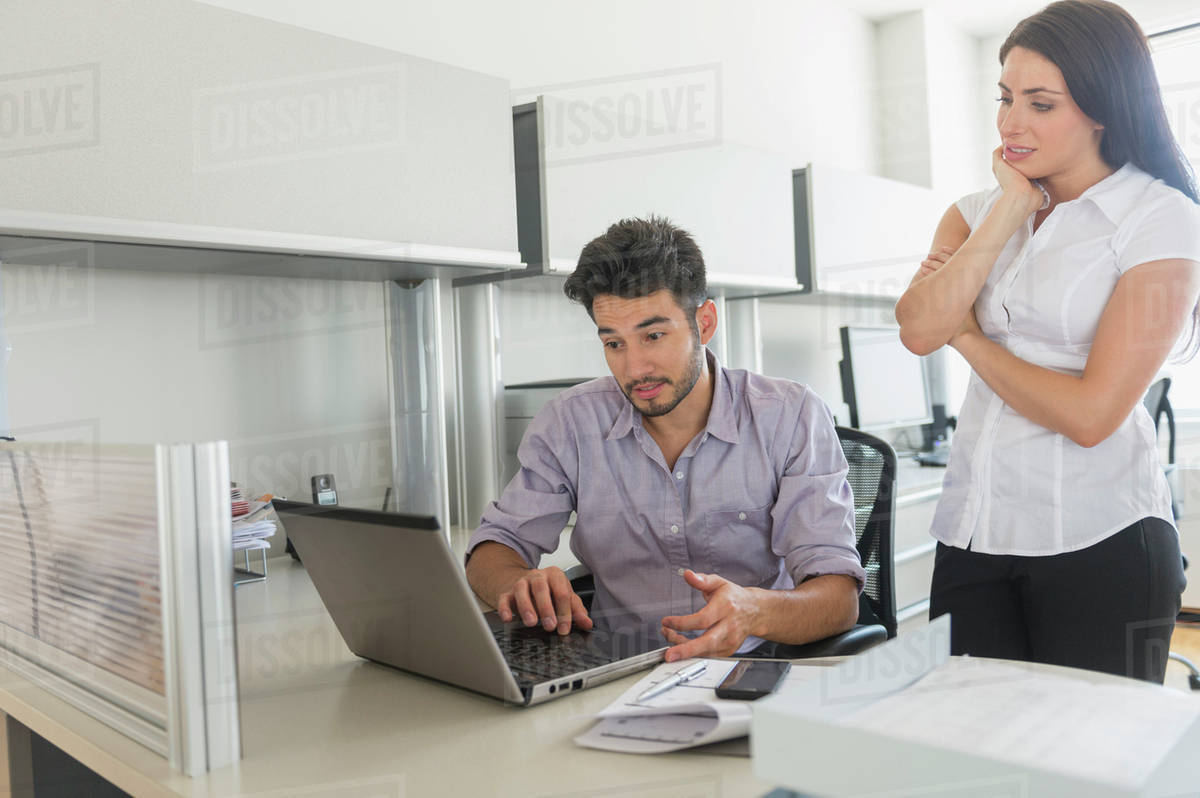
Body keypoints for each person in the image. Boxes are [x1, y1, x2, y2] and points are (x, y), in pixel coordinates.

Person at [895, 0, 1200, 682]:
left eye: (1039, 103)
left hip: (1101, 538)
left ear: (1100, 107)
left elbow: (1092, 415)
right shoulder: (974, 210)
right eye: (1005, 98)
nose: (1011, 122)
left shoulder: (1160, 219)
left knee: (1094, 774)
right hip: (973, 530)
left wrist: (967, 335)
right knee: (973, 763)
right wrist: (1011, 206)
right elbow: (918, 329)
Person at [465, 216, 864, 661]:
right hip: (616, 674)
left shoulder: (790, 416)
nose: (635, 369)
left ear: (704, 322)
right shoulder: (570, 423)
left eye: (653, 336)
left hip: (758, 670)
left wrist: (756, 612)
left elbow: (838, 600)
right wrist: (516, 583)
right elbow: (493, 548)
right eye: (614, 343)